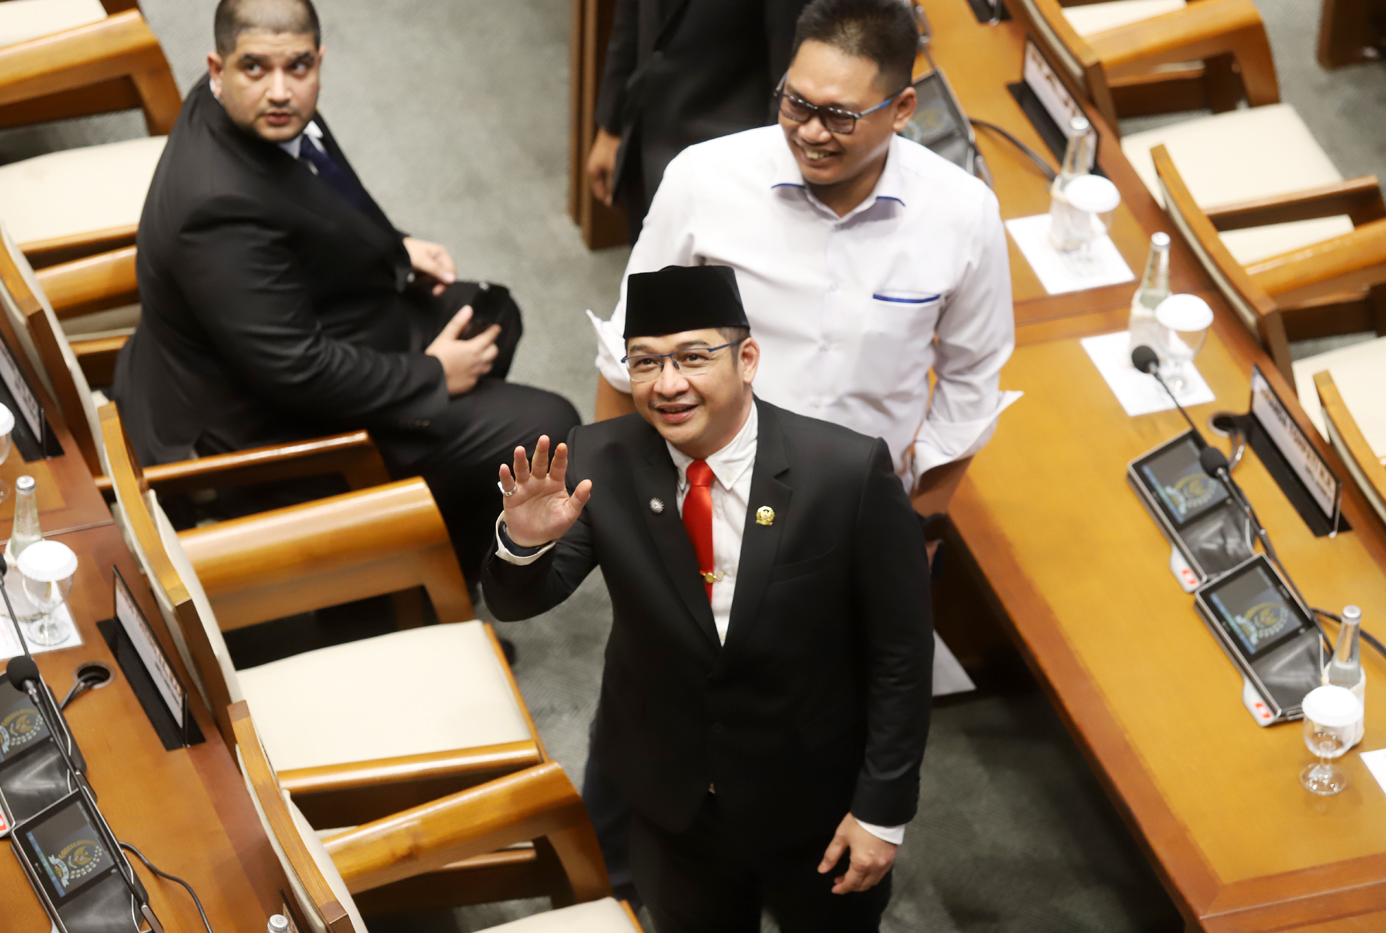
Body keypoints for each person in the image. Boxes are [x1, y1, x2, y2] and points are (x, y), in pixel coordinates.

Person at [484, 265, 933, 933]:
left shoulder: (844, 472)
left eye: (693, 358)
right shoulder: (600, 459)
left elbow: (901, 652)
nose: (668, 384)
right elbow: (518, 601)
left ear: (747, 359)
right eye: (645, 363)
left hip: (812, 794)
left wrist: (881, 810)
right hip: (673, 800)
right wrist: (523, 542)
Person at [112, 0, 579, 586]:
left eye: (298, 67)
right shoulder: (217, 210)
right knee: (545, 425)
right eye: (255, 68)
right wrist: (433, 375)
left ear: (318, 60)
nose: (279, 90)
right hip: (255, 425)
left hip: (282, 328)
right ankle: (420, 581)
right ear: (218, 68)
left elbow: (314, 192)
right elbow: (296, 369)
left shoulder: (250, 110)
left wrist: (395, 246)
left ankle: (430, 508)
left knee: (491, 314)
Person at [591, 0, 1017, 520]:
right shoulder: (703, 179)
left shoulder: (963, 214)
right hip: (711, 497)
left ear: (902, 109)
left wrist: (920, 528)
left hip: (860, 506)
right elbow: (625, 350)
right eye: (796, 104)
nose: (811, 132)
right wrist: (615, 514)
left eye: (839, 116)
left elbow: (970, 381)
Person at [585, 0, 810, 238]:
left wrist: (771, 186)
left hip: (727, 171)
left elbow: (790, 77)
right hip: (645, 144)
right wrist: (611, 127)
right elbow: (630, 14)